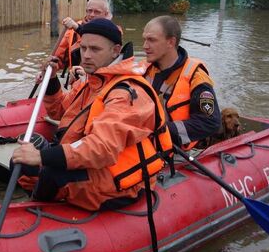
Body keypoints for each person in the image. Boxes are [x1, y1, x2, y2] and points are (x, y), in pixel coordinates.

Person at [12, 19, 172, 211]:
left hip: (120, 178)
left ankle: (38, 213)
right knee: (21, 159)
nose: (86, 56)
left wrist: (43, 157)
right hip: (94, 162)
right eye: (83, 48)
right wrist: (53, 80)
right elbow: (60, 112)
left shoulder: (125, 93)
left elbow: (101, 147)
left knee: (51, 173)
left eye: (95, 49)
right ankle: (41, 203)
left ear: (115, 51)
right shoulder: (92, 81)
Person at [142, 15, 220, 150]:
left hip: (176, 150)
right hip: (146, 143)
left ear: (171, 42)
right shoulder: (144, 70)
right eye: (145, 39)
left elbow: (210, 122)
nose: (145, 46)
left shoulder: (196, 77)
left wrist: (163, 131)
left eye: (152, 40)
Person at [42, 0, 115, 78]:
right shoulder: (71, 32)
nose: (92, 15)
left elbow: (96, 33)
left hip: (101, 81)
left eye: (97, 12)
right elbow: (58, 59)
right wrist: (47, 70)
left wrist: (78, 28)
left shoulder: (114, 32)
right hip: (76, 82)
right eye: (89, 11)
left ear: (106, 14)